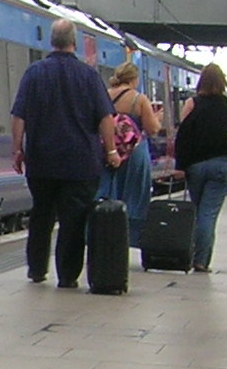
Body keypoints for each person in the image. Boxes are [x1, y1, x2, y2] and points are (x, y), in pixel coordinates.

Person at [9, 21, 117, 286]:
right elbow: (105, 118)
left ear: (51, 41)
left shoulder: (34, 73)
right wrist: (111, 150)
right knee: (74, 220)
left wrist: (17, 149)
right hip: (81, 163)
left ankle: (37, 269)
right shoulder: (89, 76)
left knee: (41, 214)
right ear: (74, 42)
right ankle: (67, 276)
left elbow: (19, 116)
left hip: (42, 161)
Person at [172, 62, 227, 273]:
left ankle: (192, 255)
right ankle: (201, 261)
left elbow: (182, 136)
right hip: (222, 165)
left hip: (196, 166)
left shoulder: (192, 103)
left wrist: (180, 165)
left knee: (197, 211)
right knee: (208, 214)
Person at [102, 62, 160, 216]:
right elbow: (152, 129)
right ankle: (132, 228)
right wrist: (157, 118)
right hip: (134, 151)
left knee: (110, 192)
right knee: (135, 197)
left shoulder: (104, 95)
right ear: (134, 79)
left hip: (108, 149)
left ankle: (110, 226)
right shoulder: (138, 99)